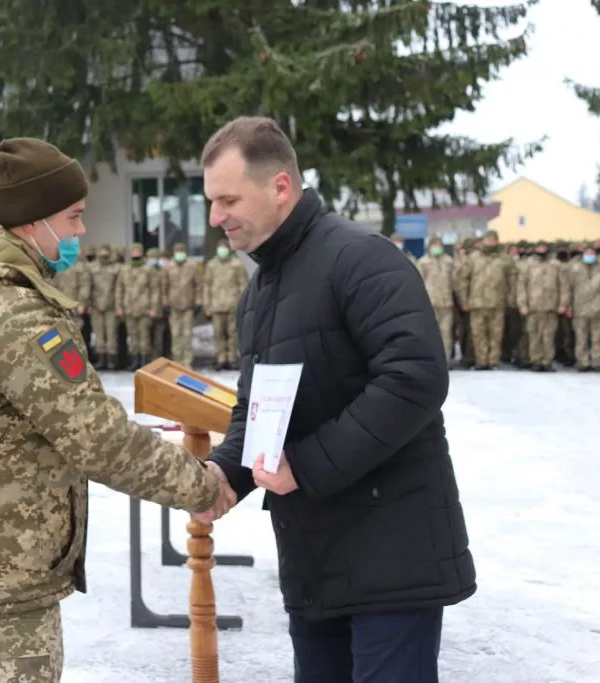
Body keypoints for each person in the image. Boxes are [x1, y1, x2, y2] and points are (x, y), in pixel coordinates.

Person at [0, 136, 233, 683]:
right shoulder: (14, 316)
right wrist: (202, 486)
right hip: (1, 575)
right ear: (33, 221)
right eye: (73, 217)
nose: (81, 232)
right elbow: (97, 437)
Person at [194, 116, 476, 683]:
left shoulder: (361, 258)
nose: (215, 217)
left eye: (227, 199)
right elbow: (257, 415)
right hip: (316, 559)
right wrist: (221, 477)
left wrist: (307, 465)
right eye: (211, 201)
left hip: (391, 558)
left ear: (279, 187)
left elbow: (414, 377)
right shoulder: (260, 293)